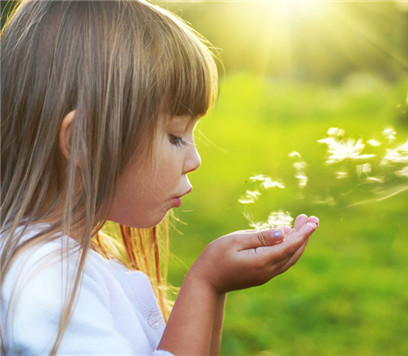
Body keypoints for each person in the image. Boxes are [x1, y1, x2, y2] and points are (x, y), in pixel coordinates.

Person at [0, 1, 319, 355]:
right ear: (84, 142)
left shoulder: (68, 261)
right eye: (176, 136)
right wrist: (206, 283)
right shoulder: (45, 280)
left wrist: (214, 292)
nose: (195, 159)